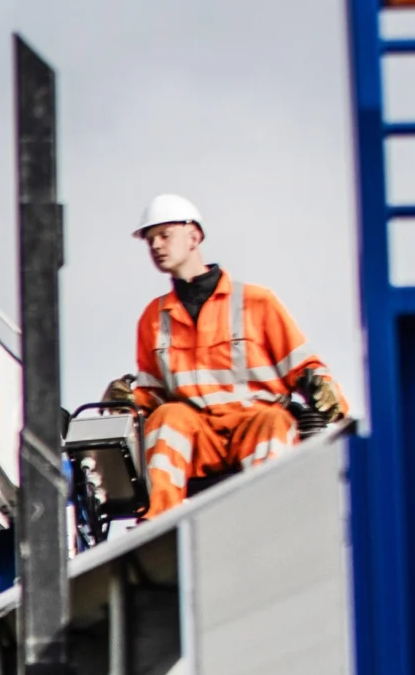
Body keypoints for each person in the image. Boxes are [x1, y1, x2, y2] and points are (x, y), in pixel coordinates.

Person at [106, 193, 347, 516]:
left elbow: (303, 365)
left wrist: (324, 390)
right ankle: (160, 525)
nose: (156, 246)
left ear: (194, 236)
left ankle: (269, 519)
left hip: (254, 424)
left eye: (164, 235)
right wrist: (126, 402)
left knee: (274, 421)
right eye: (150, 240)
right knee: (167, 419)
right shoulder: (154, 317)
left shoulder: (256, 302)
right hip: (198, 436)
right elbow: (152, 395)